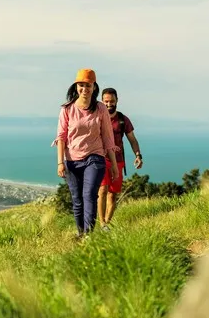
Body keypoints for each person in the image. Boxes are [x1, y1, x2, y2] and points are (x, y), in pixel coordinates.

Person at [52, 68, 119, 240]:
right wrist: (60, 162)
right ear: (76, 87)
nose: (85, 89)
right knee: (77, 199)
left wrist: (113, 165)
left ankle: (89, 234)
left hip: (95, 157)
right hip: (72, 160)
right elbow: (61, 137)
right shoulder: (66, 110)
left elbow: (108, 137)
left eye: (88, 85)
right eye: (81, 85)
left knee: (89, 194)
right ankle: (80, 233)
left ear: (94, 87)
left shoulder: (100, 109)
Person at [98, 87, 143, 231]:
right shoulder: (97, 118)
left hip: (118, 160)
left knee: (113, 194)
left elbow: (132, 140)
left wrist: (138, 155)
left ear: (117, 100)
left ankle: (107, 223)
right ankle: (102, 223)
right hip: (101, 159)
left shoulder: (123, 120)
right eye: (106, 101)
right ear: (101, 101)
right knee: (102, 190)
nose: (109, 104)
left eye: (111, 101)